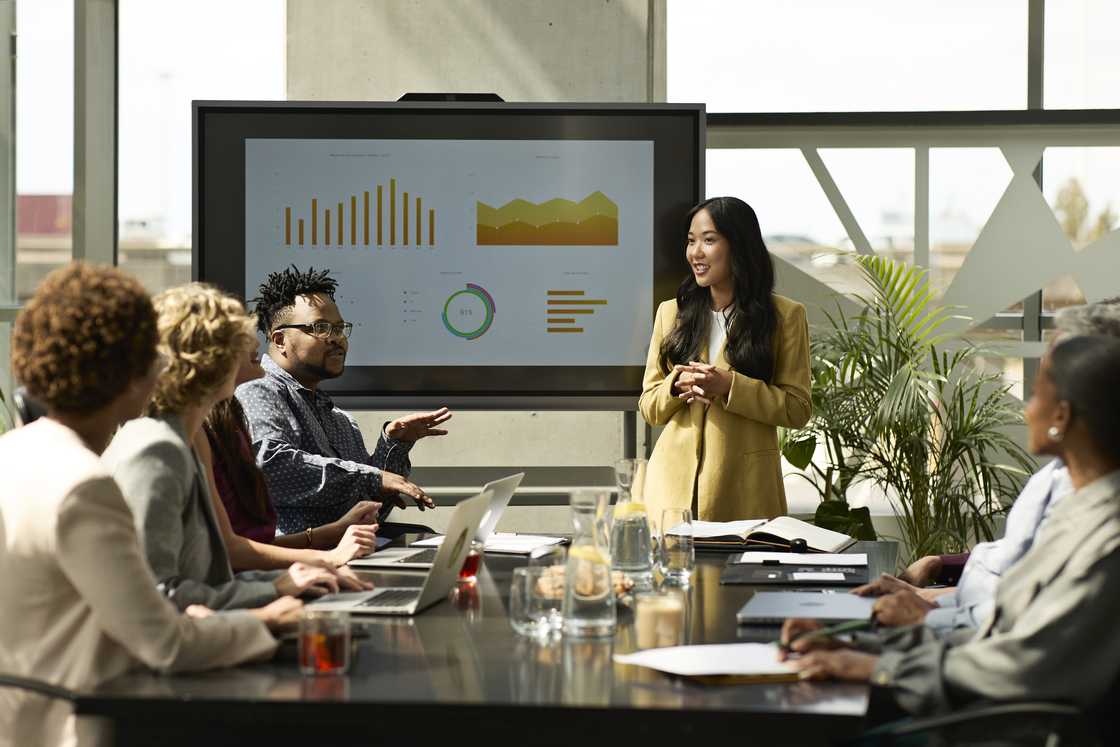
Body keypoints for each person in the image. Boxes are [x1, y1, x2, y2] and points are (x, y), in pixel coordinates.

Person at [0, 263, 298, 747]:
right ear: (129, 373)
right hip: (86, 724)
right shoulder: (84, 485)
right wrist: (264, 623)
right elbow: (163, 643)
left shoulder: (12, 453)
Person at [780, 334, 1120, 720]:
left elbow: (1023, 665)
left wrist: (877, 667)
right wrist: (858, 645)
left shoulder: (1105, 541)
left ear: (1061, 417)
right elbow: (998, 638)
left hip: (991, 726)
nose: (1026, 411)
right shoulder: (1078, 514)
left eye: (1036, 396)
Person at [854, 300, 1120, 632]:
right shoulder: (1059, 475)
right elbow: (1014, 564)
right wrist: (937, 571)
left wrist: (928, 612)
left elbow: (1025, 623)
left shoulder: (1096, 512)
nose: (1026, 410)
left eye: (1043, 388)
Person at [102, 282, 366, 611]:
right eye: (238, 337)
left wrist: (303, 572)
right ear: (206, 356)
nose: (255, 343)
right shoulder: (156, 449)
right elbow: (156, 595)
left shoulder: (190, 435)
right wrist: (277, 590)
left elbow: (220, 564)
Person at [237, 266, 449, 535]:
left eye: (339, 328)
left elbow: (370, 511)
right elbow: (270, 467)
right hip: (299, 555)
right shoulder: (259, 388)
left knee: (428, 538)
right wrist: (372, 479)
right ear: (280, 340)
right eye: (321, 328)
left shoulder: (340, 420)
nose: (337, 339)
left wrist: (394, 444)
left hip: (352, 548)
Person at [638, 197, 811, 524]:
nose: (695, 252)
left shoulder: (785, 316)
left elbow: (797, 408)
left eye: (708, 240)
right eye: (691, 241)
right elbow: (649, 406)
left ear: (739, 246)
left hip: (746, 493)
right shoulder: (670, 313)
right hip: (671, 494)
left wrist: (730, 386)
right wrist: (675, 385)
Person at [195, 345, 382, 569]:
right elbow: (229, 552)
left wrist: (332, 533)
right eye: (238, 334)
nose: (255, 342)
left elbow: (242, 545)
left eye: (340, 329)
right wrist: (328, 558)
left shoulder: (226, 417)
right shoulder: (202, 428)